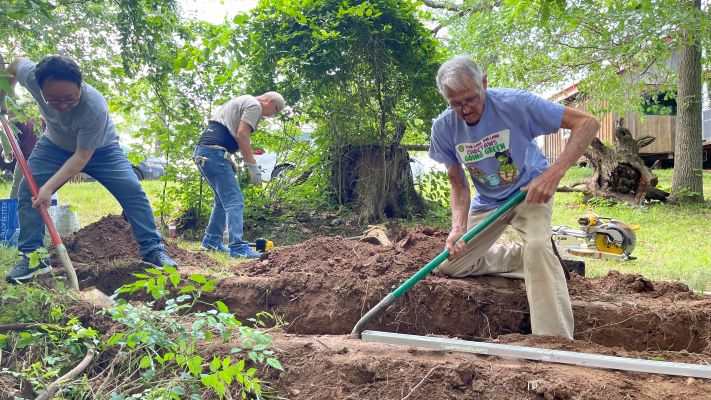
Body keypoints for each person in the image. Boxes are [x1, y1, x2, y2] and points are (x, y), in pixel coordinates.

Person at [428, 56, 600, 339]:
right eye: (455, 103)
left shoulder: (515, 104)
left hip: (528, 192)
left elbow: (587, 123)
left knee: (536, 248)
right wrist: (458, 228)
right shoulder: (444, 128)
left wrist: (553, 174)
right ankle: (523, 259)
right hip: (489, 202)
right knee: (452, 263)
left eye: (470, 99)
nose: (465, 110)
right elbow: (458, 184)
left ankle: (553, 341)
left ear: (483, 83)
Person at [0, 55, 177, 283]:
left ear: (80, 86)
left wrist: (49, 188)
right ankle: (33, 258)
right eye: (53, 100)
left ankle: (153, 249)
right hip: (54, 144)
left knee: (132, 190)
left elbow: (82, 157)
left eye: (69, 99)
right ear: (39, 85)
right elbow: (15, 64)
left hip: (102, 150)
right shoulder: (32, 75)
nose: (62, 106)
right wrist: (3, 96)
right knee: (28, 191)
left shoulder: (94, 106)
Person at [194, 92, 285, 259]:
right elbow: (242, 135)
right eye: (276, 110)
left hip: (205, 152)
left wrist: (228, 157)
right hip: (213, 153)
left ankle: (211, 241)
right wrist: (253, 167)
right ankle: (237, 247)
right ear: (270, 101)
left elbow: (226, 129)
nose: (273, 115)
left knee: (222, 201)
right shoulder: (254, 105)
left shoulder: (241, 100)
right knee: (235, 200)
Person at [0, 115, 43, 198]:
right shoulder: (38, 119)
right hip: (39, 157)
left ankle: (13, 208)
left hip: (27, 158)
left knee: (17, 187)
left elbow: (8, 151)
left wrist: (8, 151)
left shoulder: (13, 123)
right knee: (41, 184)